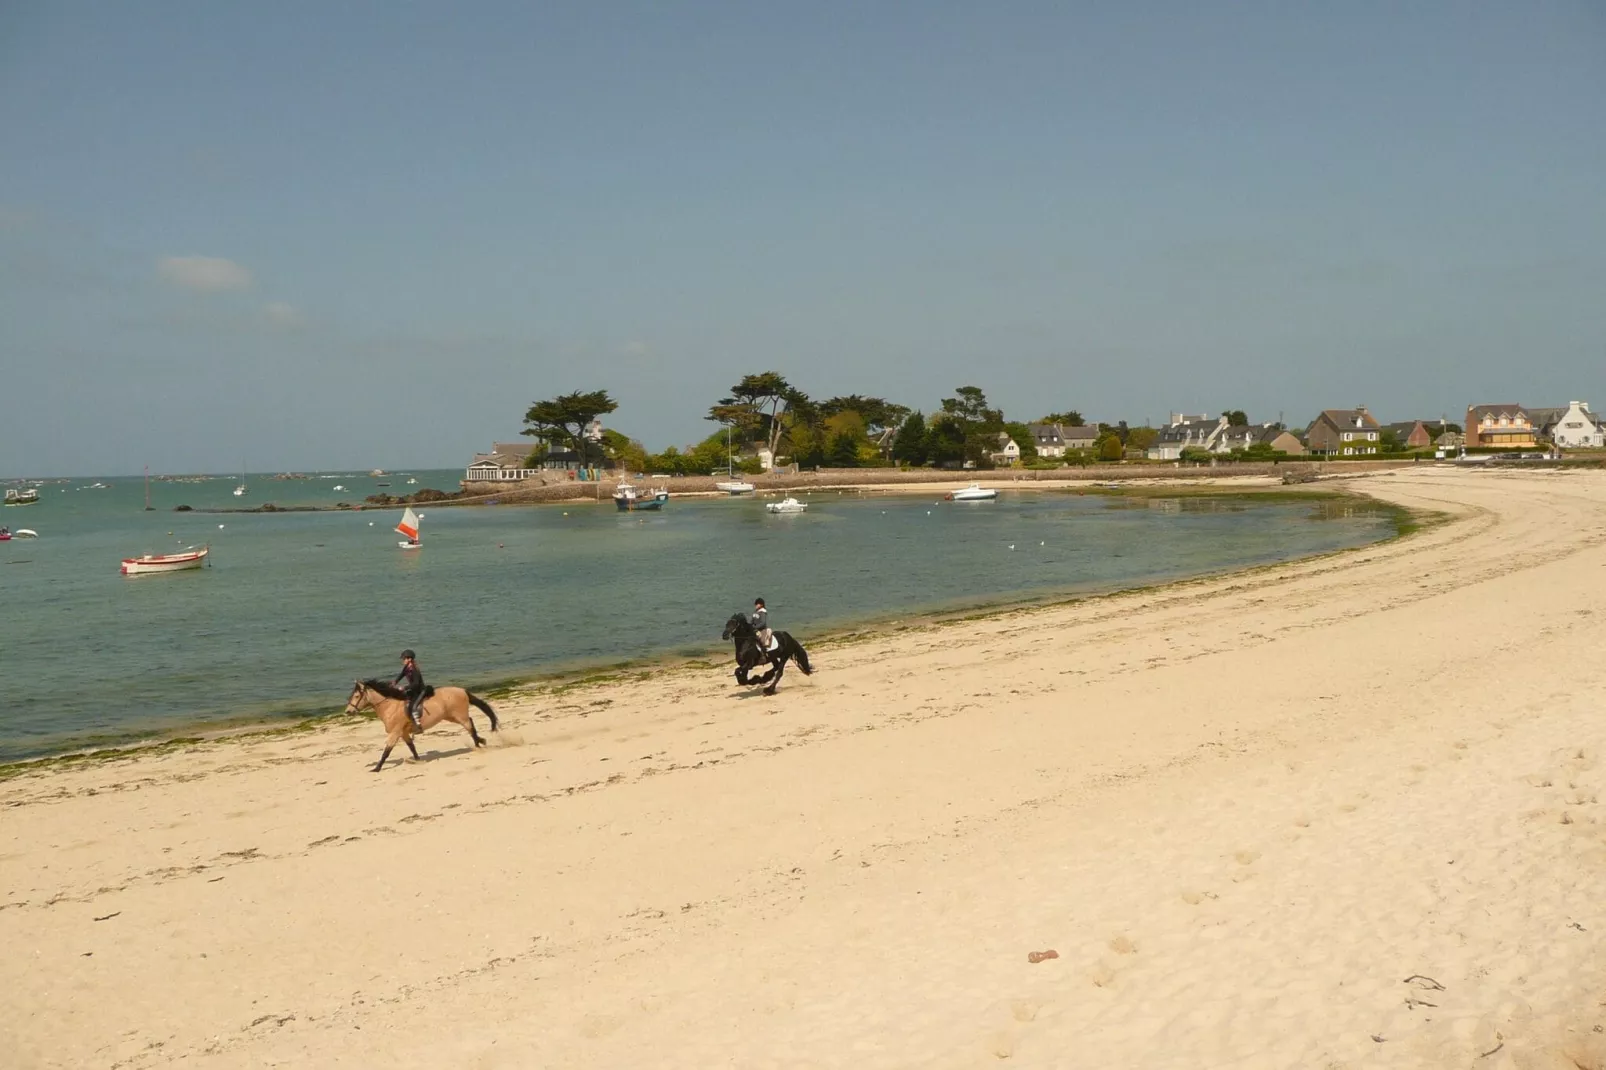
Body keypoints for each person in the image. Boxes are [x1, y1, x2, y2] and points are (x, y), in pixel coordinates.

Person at [394, 649, 426, 728]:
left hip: (419, 690)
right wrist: (394, 682)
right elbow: (401, 675)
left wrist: (404, 687)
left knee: (413, 706)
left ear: (409, 659)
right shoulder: (406, 667)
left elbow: (416, 684)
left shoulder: (414, 670)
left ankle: (417, 724)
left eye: (404, 659)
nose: (403, 660)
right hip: (413, 689)